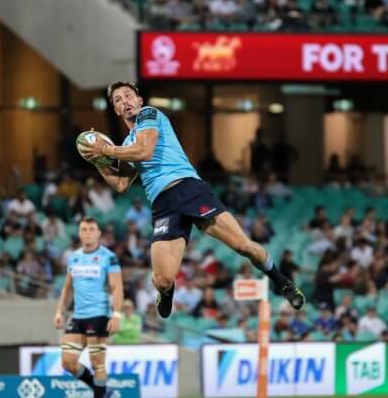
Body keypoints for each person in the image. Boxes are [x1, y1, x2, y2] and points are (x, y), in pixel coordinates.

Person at [81, 81, 304, 319]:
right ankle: (166, 292)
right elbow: (121, 184)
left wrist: (107, 150)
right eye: (118, 100)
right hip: (163, 205)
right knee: (162, 280)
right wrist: (97, 160)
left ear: (139, 101)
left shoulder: (149, 114)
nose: (124, 101)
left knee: (243, 246)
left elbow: (145, 151)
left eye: (128, 96)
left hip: (189, 190)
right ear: (115, 110)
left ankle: (282, 282)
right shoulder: (126, 144)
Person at [52, 217, 123, 398]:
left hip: (99, 315)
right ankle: (104, 392)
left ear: (99, 234)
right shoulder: (73, 257)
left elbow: (117, 287)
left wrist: (116, 315)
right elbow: (67, 287)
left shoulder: (109, 257)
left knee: (97, 363)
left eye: (92, 229)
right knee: (68, 362)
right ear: (79, 233)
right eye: (84, 229)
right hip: (78, 316)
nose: (88, 233)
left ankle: (100, 394)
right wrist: (60, 310)